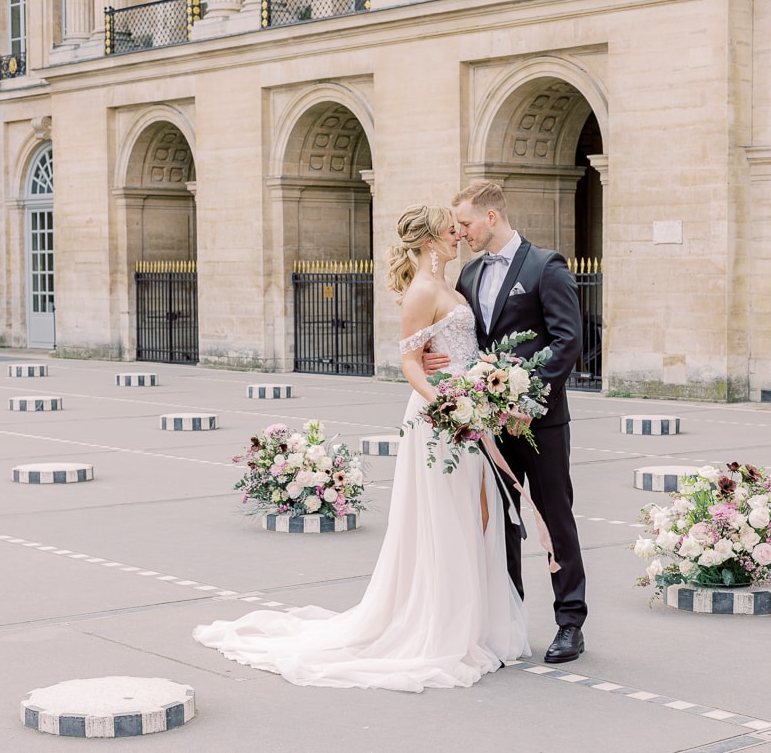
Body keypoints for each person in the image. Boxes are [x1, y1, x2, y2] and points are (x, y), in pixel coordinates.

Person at [193, 204, 528, 692]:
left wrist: (478, 396)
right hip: (441, 419)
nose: (458, 235)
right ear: (431, 240)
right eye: (450, 230)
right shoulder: (421, 290)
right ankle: (444, 626)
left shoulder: (451, 285)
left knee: (476, 513)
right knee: (446, 518)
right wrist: (447, 406)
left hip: (467, 412)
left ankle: (475, 622)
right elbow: (410, 364)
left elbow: (458, 351)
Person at [424, 181, 587, 664]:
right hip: (490, 426)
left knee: (555, 516)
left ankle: (570, 622)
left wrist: (531, 399)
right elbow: (463, 337)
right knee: (500, 522)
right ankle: (510, 620)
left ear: (491, 217)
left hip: (541, 421)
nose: (461, 233)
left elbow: (567, 340)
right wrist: (433, 357)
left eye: (466, 224)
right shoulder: (470, 274)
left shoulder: (546, 266)